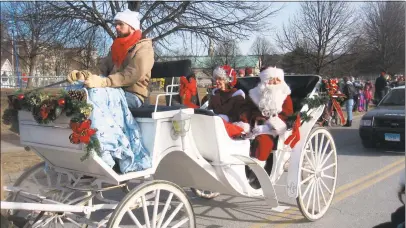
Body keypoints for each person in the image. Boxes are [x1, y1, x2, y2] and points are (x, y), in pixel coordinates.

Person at [67, 9, 154, 109]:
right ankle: (77, 124)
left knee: (93, 96)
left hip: (134, 95)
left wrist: (104, 82)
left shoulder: (144, 48)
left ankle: (96, 125)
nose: (116, 27)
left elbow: (131, 75)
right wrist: (83, 74)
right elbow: (102, 68)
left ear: (131, 27)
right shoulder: (117, 47)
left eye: (120, 24)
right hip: (113, 89)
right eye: (116, 24)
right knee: (74, 90)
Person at [240, 67, 294, 161]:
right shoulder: (254, 95)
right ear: (265, 81)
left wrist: (268, 127)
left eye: (278, 80)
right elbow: (246, 111)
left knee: (262, 142)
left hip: (273, 131)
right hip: (253, 126)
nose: (275, 82)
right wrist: (245, 124)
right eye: (272, 79)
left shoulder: (285, 97)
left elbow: (287, 116)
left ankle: (256, 169)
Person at [208, 65, 250, 138]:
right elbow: (209, 111)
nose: (217, 81)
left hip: (229, 133)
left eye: (220, 79)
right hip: (213, 130)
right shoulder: (214, 95)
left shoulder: (237, 97)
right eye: (216, 79)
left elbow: (239, 118)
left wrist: (225, 119)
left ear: (227, 80)